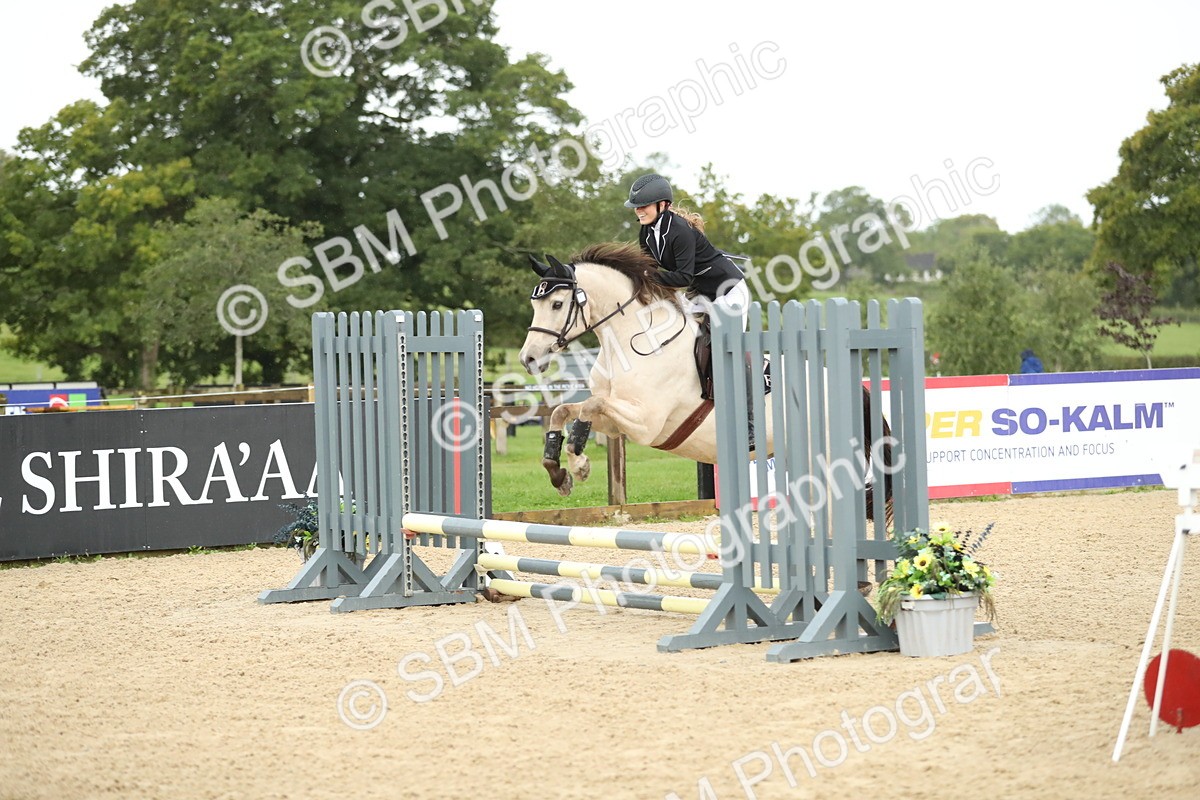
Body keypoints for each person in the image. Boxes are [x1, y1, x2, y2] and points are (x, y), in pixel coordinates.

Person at [625, 173, 750, 327]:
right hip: (698, 294)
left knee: (728, 348)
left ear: (663, 205)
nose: (638, 210)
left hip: (727, 290)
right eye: (636, 206)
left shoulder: (681, 231)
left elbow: (683, 277)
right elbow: (649, 269)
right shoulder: (645, 232)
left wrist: (647, 275)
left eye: (643, 205)